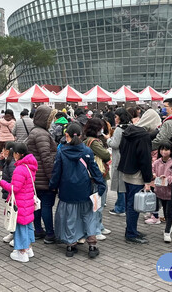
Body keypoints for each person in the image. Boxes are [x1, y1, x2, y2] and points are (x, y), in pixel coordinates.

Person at [50, 123, 105, 258]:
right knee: (89, 216)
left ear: (66, 135)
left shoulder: (62, 151)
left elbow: (56, 172)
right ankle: (92, 245)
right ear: (81, 136)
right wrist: (101, 184)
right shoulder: (87, 151)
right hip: (85, 190)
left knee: (70, 218)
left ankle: (70, 245)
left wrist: (53, 186)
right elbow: (94, 169)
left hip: (67, 191)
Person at [118, 109, 161, 244]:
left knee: (130, 203)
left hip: (126, 172)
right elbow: (145, 159)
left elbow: (121, 149)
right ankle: (131, 233)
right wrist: (147, 179)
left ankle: (131, 230)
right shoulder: (143, 136)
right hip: (137, 175)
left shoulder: (128, 131)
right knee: (133, 206)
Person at [0, 142, 38, 262]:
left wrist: (2, 183)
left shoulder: (20, 169)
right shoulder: (30, 166)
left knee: (20, 226)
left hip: (20, 202)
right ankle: (28, 248)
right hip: (28, 201)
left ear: (17, 154)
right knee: (27, 225)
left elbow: (14, 188)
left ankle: (22, 252)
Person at [26, 105, 58, 243]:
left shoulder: (35, 132)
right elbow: (47, 158)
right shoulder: (42, 134)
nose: (51, 122)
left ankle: (38, 230)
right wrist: (53, 179)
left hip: (35, 176)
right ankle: (50, 234)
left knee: (37, 205)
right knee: (46, 205)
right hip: (43, 177)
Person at [83, 118, 111, 240]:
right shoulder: (93, 142)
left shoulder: (88, 140)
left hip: (96, 175)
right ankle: (95, 229)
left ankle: (99, 226)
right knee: (97, 203)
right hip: (97, 175)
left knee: (99, 203)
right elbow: (105, 155)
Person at [152, 141, 172, 243]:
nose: (164, 152)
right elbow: (152, 172)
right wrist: (155, 176)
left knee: (169, 212)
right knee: (164, 211)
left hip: (170, 192)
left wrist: (168, 179)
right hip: (159, 191)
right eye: (162, 149)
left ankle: (167, 232)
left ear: (171, 151)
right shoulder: (156, 162)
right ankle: (169, 226)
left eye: (167, 149)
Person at [108, 108, 131, 216]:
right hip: (127, 158)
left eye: (116, 117)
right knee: (125, 184)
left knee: (119, 185)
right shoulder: (130, 127)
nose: (115, 119)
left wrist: (108, 140)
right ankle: (124, 206)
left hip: (118, 159)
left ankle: (120, 207)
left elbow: (115, 144)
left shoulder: (119, 129)